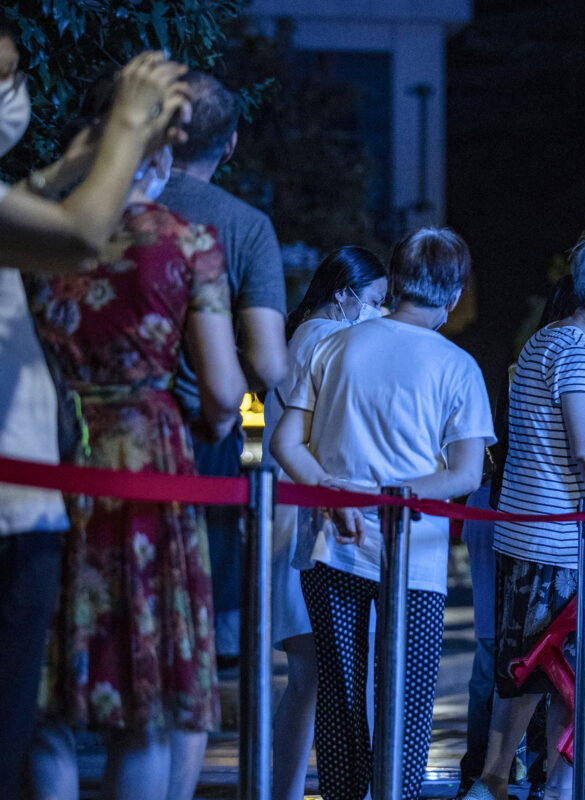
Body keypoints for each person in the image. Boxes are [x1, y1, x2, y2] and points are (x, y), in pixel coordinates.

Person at [25, 68, 244, 800]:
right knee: (143, 698)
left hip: (47, 448)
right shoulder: (188, 242)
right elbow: (220, 389)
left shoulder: (35, 231)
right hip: (147, 458)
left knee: (45, 689)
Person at [0, 46, 193, 799]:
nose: (14, 90)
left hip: (40, 495)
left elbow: (39, 213)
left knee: (34, 716)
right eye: (6, 73)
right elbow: (77, 235)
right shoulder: (187, 245)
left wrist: (81, 161)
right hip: (22, 507)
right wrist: (125, 120)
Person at [271, 228, 493, 800]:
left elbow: (284, 444)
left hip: (333, 545)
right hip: (414, 557)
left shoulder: (333, 344)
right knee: (409, 698)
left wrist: (335, 491)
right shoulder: (459, 366)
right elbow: (466, 472)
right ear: (452, 295)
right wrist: (396, 492)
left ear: (394, 282)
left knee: (342, 698)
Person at [466, 233, 585, 800]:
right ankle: (502, 782)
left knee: (546, 674)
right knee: (540, 672)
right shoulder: (574, 352)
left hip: (528, 530)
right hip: (554, 540)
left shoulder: (545, 343)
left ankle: (545, 783)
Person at [158, 70, 288, 665]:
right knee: (206, 603)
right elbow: (267, 364)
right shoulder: (244, 226)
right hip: (215, 432)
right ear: (229, 143)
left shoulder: (99, 209)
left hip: (99, 429)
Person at [260, 246, 388, 800]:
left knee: (309, 676)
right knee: (318, 673)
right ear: (344, 294)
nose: (380, 313)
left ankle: (278, 789)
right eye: (376, 302)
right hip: (311, 520)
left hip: (299, 514)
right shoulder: (322, 340)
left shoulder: (306, 336)